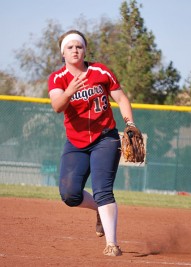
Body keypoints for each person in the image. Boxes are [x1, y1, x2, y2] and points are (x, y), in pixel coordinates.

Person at [48, 29, 135, 256]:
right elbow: (57, 106)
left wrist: (130, 124)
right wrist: (69, 92)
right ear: (63, 54)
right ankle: (98, 210)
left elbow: (121, 98)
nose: (75, 50)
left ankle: (112, 244)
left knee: (102, 190)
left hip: (105, 137)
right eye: (70, 47)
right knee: (69, 194)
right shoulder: (58, 79)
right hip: (76, 142)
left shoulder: (100, 71)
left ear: (85, 49)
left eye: (79, 46)